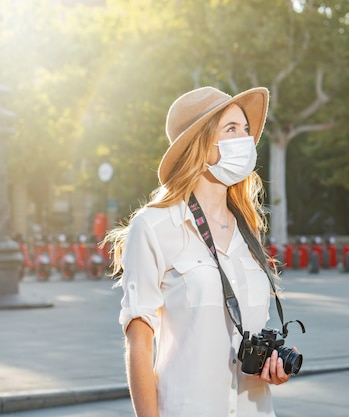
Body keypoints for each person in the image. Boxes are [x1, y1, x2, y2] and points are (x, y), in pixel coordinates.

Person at [105, 86, 295, 417]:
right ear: (200, 144)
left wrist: (273, 370)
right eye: (231, 129)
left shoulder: (247, 232)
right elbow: (139, 345)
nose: (245, 140)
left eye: (246, 131)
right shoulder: (153, 226)